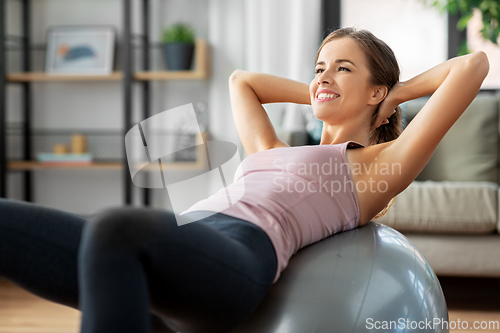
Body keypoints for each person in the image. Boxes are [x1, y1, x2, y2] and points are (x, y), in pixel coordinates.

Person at [0, 27, 489, 333]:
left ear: (377, 90)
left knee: (116, 226)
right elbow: (242, 81)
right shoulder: (271, 150)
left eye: (343, 68)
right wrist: (326, 90)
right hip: (181, 242)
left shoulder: (378, 165)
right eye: (319, 66)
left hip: (237, 259)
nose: (324, 75)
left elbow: (471, 66)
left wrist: (389, 94)